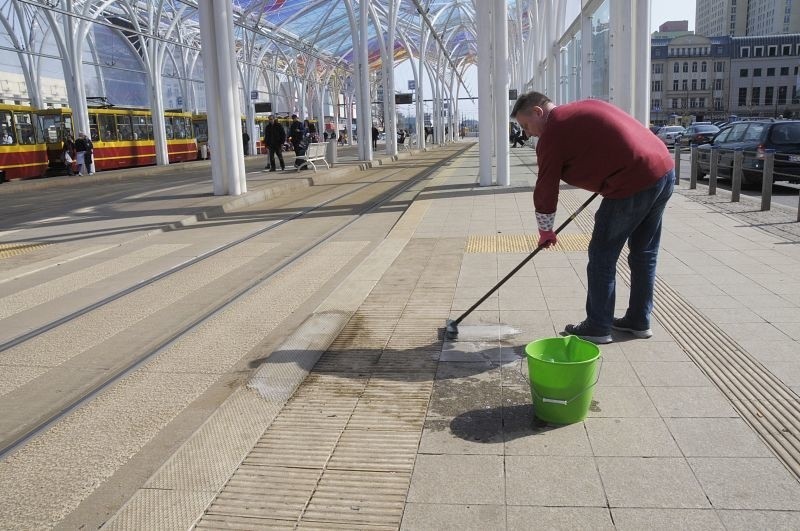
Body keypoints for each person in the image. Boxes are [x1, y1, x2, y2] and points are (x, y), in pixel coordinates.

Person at [511, 91, 674, 345]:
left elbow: (546, 185)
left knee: (602, 255)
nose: (528, 133)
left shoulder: (554, 132)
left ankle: (598, 326)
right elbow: (608, 145)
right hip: (663, 169)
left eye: (526, 125)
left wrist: (545, 231)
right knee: (644, 253)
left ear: (538, 112)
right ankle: (639, 320)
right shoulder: (584, 106)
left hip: (632, 181)